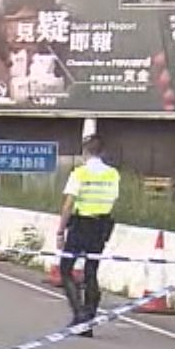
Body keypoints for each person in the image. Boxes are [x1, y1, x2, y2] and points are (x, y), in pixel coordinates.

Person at [57, 136, 121, 336]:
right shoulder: (113, 174)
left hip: (81, 223)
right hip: (101, 225)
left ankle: (80, 316)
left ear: (85, 152)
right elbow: (113, 199)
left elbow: (69, 204)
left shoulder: (80, 173)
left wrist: (61, 230)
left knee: (66, 269)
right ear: (102, 152)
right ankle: (89, 320)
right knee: (91, 271)